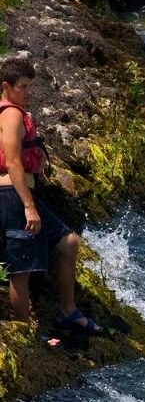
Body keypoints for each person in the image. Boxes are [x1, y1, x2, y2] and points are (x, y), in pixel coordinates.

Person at [0, 56, 102, 339]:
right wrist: (29, 206)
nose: (29, 92)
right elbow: (13, 162)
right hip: (13, 196)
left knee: (68, 242)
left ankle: (67, 310)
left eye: (30, 86)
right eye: (23, 86)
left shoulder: (15, 112)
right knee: (20, 269)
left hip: (20, 193)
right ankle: (25, 337)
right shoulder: (10, 115)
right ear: (6, 87)